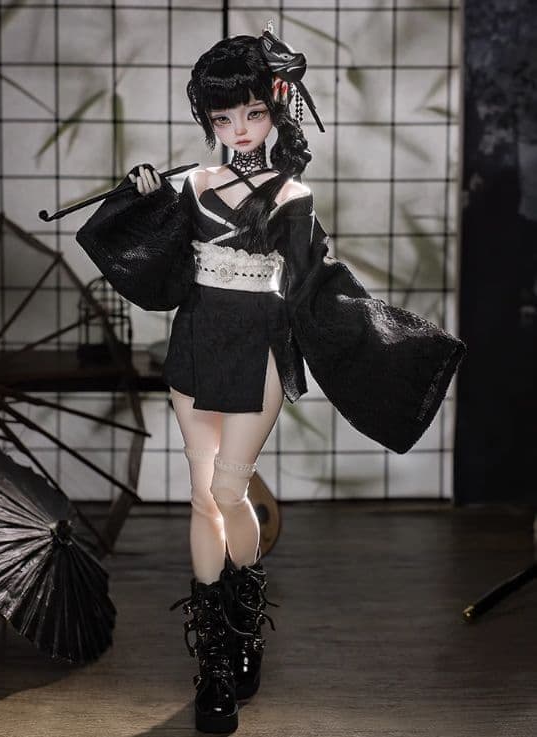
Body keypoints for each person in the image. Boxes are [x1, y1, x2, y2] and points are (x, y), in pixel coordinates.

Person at [75, 25, 466, 735]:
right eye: (223, 117)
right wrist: (140, 196)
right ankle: (216, 663)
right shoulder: (192, 185)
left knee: (230, 490)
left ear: (275, 110)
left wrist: (390, 338)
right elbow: (156, 270)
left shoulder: (293, 196)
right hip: (195, 343)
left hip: (259, 346)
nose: (239, 129)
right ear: (208, 119)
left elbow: (317, 286)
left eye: (252, 113)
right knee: (203, 495)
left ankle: (244, 618)